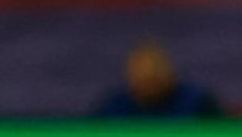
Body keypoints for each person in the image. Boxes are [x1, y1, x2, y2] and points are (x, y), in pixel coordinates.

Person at [92, 39, 224, 118]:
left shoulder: (198, 104)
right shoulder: (113, 108)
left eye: (153, 77)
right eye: (142, 78)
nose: (148, 84)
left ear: (168, 73)